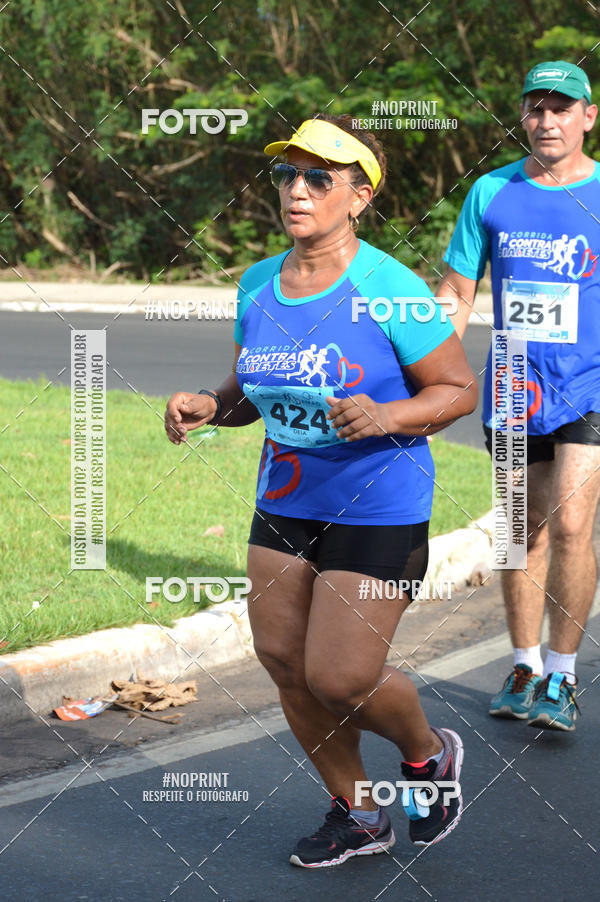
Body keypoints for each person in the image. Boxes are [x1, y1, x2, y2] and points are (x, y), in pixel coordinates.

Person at [165, 114, 477, 866]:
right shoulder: (257, 283)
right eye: (285, 176)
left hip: (378, 503)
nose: (296, 191)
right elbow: (251, 391)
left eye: (317, 178)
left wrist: (389, 413)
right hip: (286, 499)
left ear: (359, 196)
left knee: (339, 678)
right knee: (280, 659)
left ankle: (428, 754)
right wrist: (212, 407)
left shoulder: (390, 286)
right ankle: (359, 811)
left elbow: (458, 389)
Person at [437, 61, 600, 731]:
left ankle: (562, 676)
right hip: (512, 384)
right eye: (536, 108)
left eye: (562, 108)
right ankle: (525, 664)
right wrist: (423, 368)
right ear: (523, 115)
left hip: (589, 382)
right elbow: (455, 292)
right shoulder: (491, 193)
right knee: (515, 533)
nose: (547, 120)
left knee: (569, 525)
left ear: (588, 116)